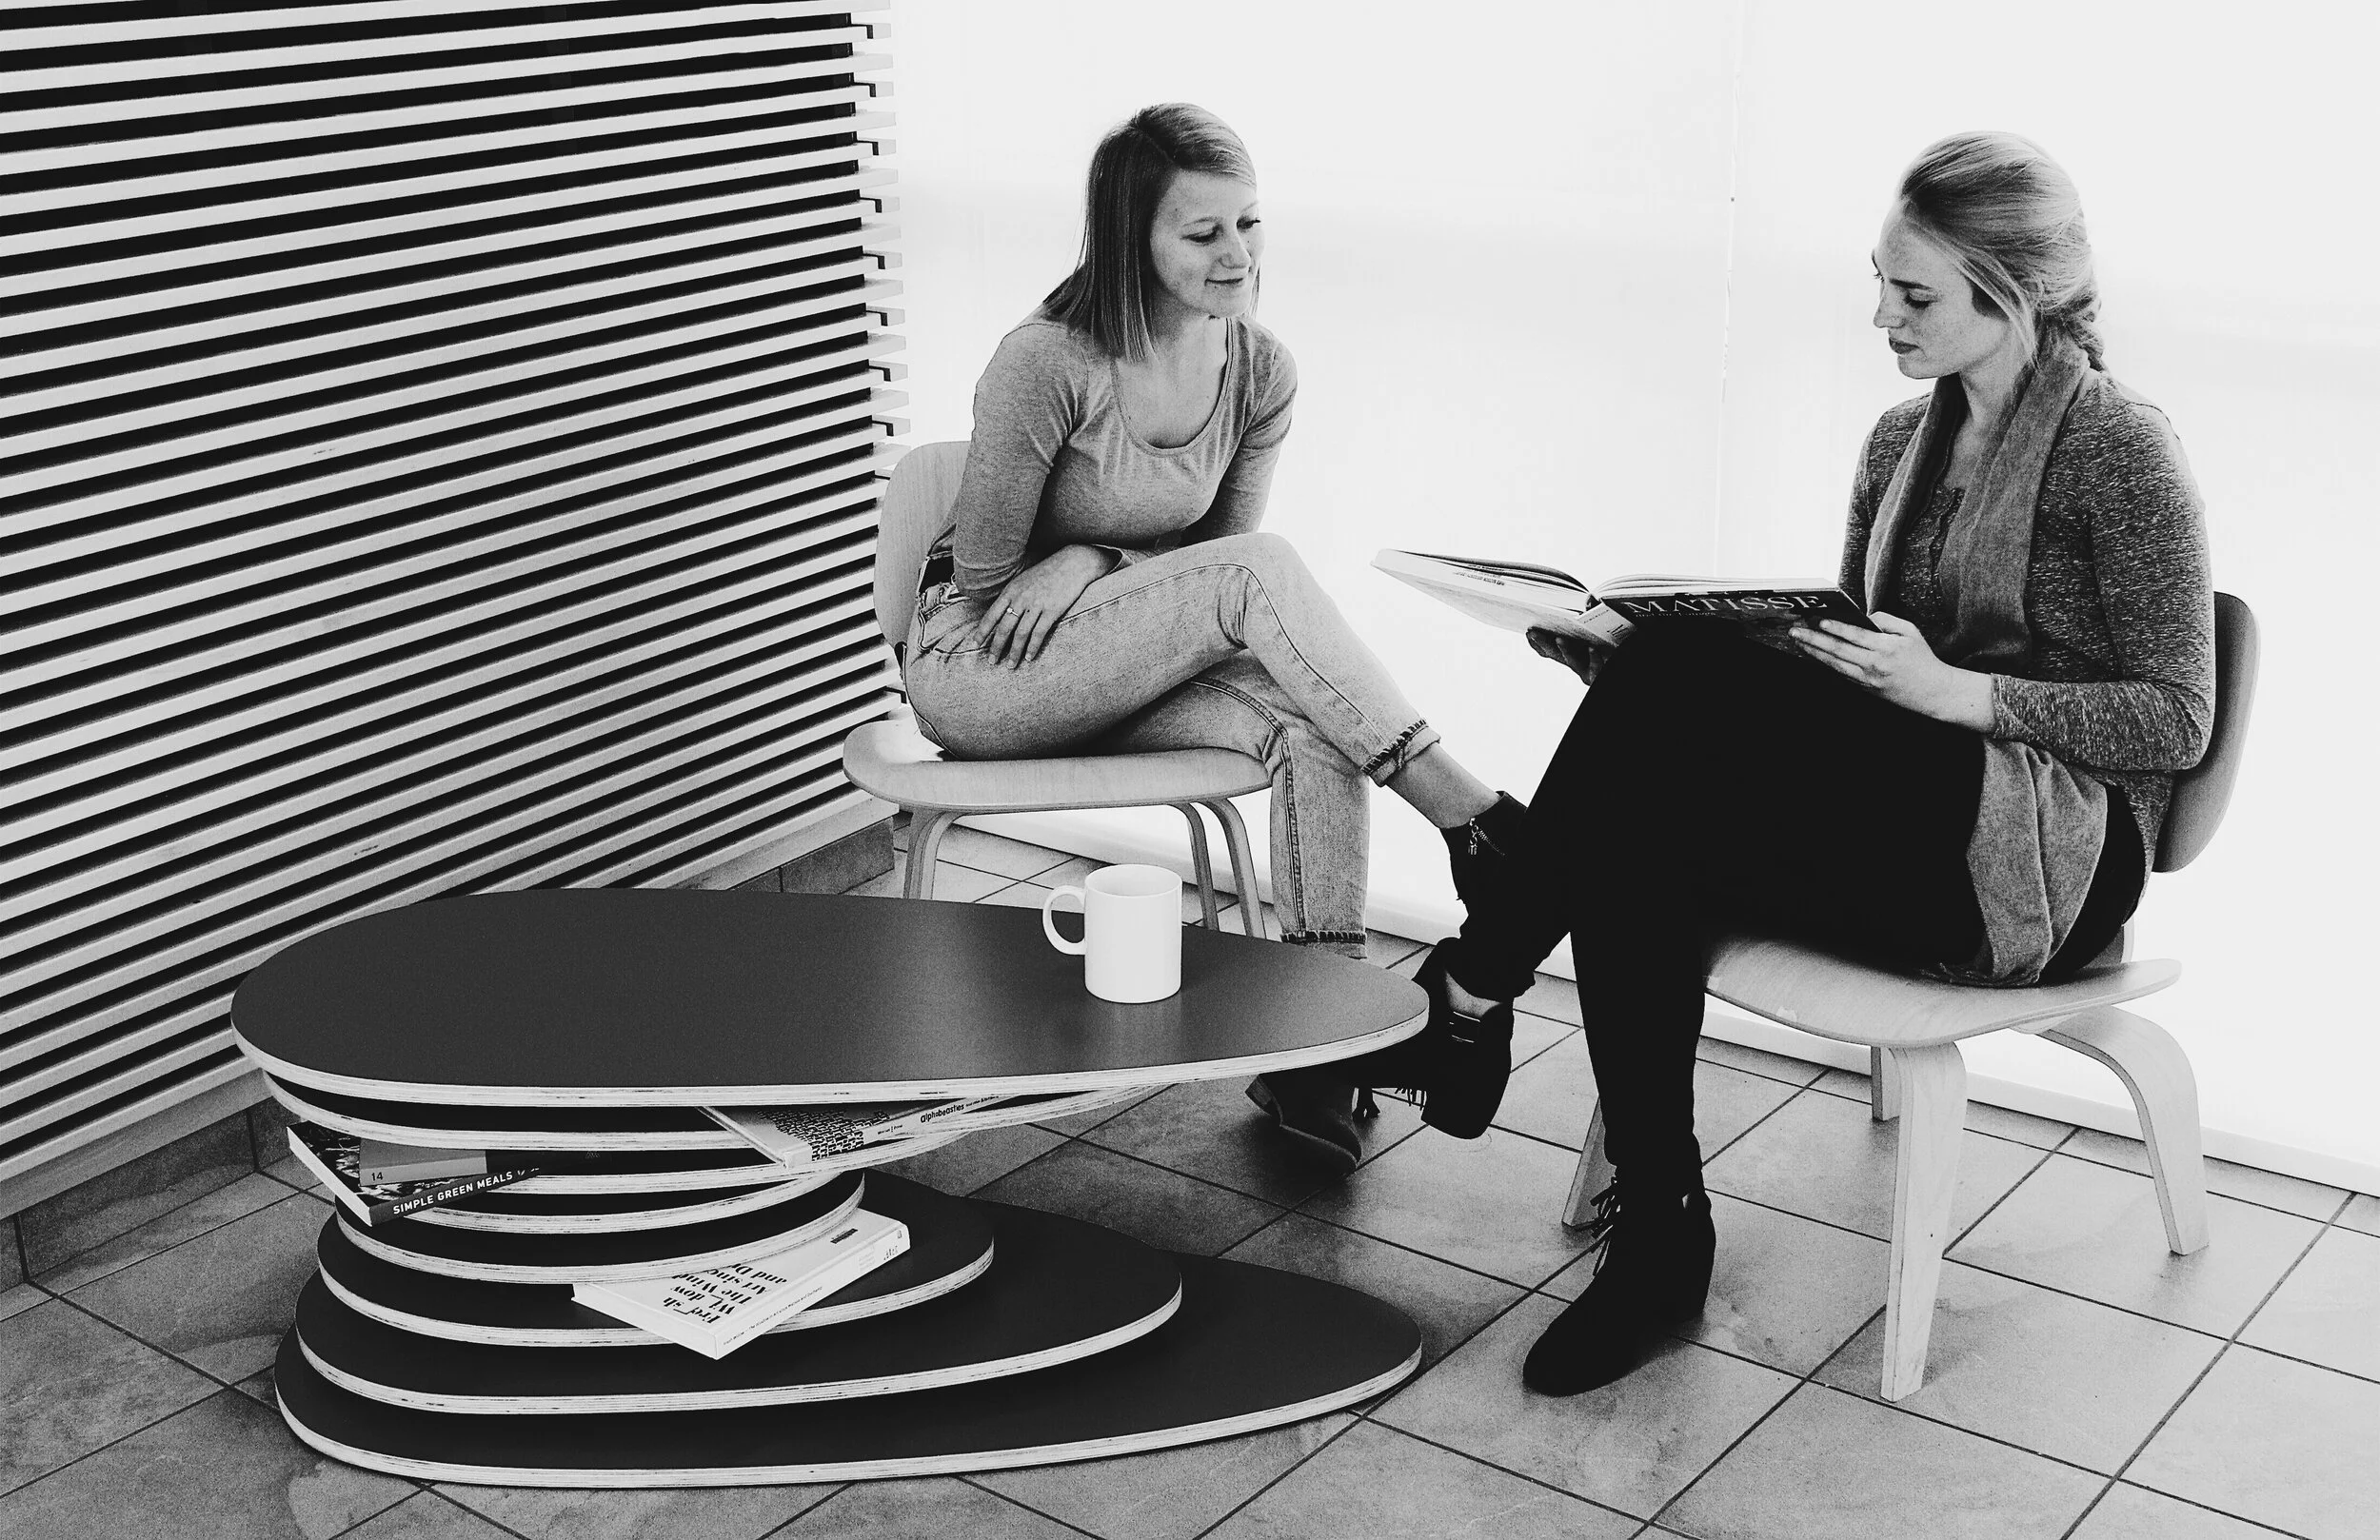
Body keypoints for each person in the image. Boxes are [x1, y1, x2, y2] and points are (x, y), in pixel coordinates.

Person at [1336, 130, 2214, 1395]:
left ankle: (1470, 992)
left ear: (2013, 293)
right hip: (1911, 816)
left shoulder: (2119, 449)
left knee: (1659, 731)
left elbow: (2178, 721)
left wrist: (1962, 693)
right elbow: (1842, 684)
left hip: (2051, 858)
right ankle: (1661, 1233)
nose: (1881, 318)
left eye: (1913, 295)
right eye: (1880, 283)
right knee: (1644, 822)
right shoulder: (1897, 443)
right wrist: (1620, 667)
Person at [899, 104, 1528, 1172]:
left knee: (1314, 718)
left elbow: (1212, 582)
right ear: (1131, 237)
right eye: (1203, 232)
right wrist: (1092, 560)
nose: (1237, 252)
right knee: (1260, 571)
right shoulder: (1046, 362)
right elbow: (992, 581)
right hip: (978, 669)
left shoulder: (1260, 371)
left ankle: (1323, 1037)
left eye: (1249, 222)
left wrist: (1099, 557)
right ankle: (1477, 823)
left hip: (1122, 668)